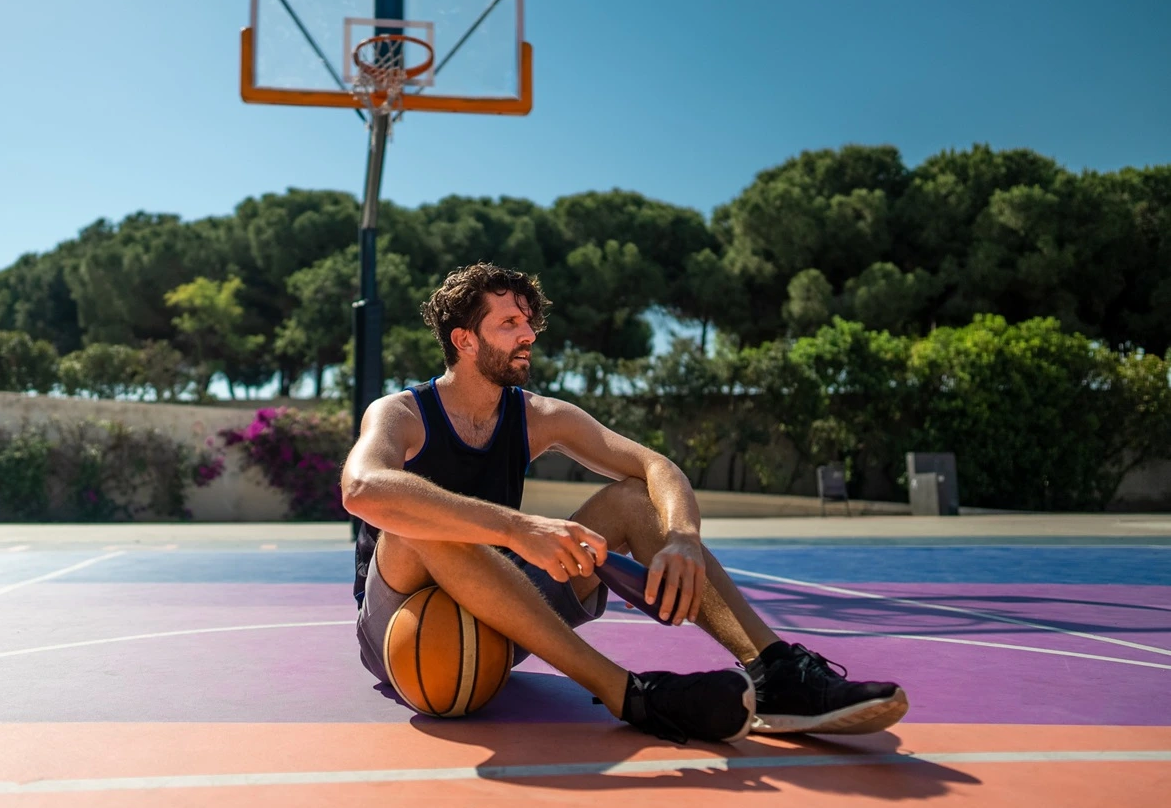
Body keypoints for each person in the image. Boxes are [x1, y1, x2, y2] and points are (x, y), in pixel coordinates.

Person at [341, 263, 908, 743]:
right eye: (509, 322)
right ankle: (633, 695)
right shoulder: (401, 413)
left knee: (636, 501)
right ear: (464, 339)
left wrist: (683, 536)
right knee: (421, 523)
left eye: (530, 321)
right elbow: (362, 488)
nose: (528, 333)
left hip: (500, 611)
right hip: (402, 622)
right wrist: (516, 530)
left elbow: (657, 467)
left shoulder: (538, 416)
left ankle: (775, 672)